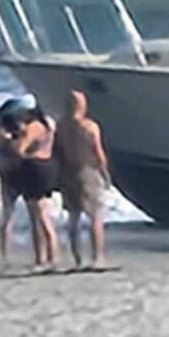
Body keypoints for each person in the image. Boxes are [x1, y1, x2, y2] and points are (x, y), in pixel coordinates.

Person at [54, 90, 111, 267]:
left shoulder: (61, 126)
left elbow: (57, 151)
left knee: (74, 216)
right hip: (87, 170)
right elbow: (98, 152)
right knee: (95, 216)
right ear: (82, 106)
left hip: (68, 171)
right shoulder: (89, 127)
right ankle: (97, 257)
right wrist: (105, 172)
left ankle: (77, 257)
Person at [12, 106, 60, 266]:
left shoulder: (32, 128)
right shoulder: (48, 127)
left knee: (39, 216)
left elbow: (20, 150)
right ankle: (45, 256)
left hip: (34, 167)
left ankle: (47, 256)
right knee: (42, 213)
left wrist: (15, 138)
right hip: (48, 166)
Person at [0, 108, 25, 262]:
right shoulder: (6, 139)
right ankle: (5, 251)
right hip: (14, 175)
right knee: (9, 215)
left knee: (7, 215)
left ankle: (5, 252)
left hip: (6, 176)